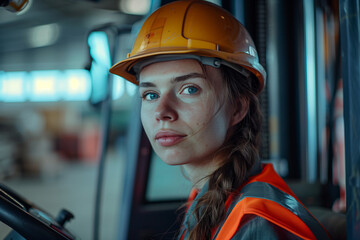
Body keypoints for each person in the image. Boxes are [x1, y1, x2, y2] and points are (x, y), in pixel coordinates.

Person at [109, 0, 330, 239]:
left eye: (189, 89)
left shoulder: (255, 224)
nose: (162, 112)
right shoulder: (208, 198)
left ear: (237, 107)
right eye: (150, 95)